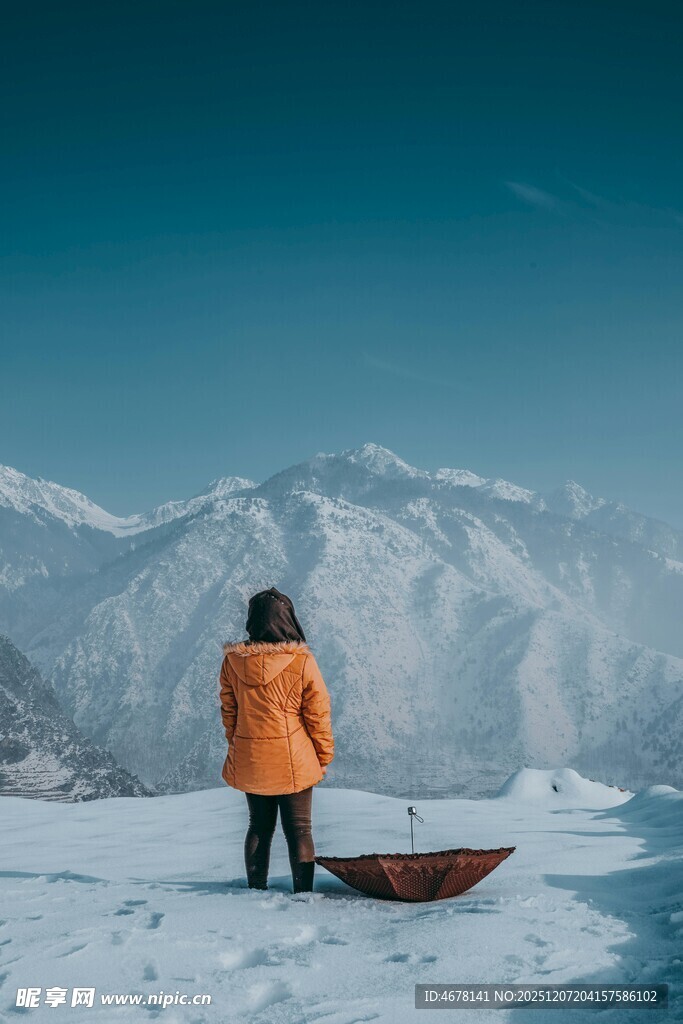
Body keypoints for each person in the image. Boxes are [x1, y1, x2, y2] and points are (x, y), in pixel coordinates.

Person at [219, 587, 334, 893]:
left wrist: (239, 743)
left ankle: (256, 888)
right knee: (299, 830)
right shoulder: (302, 662)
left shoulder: (233, 662)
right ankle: (303, 894)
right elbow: (318, 714)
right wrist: (323, 757)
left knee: (258, 826)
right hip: (295, 759)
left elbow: (229, 711)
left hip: (251, 756)